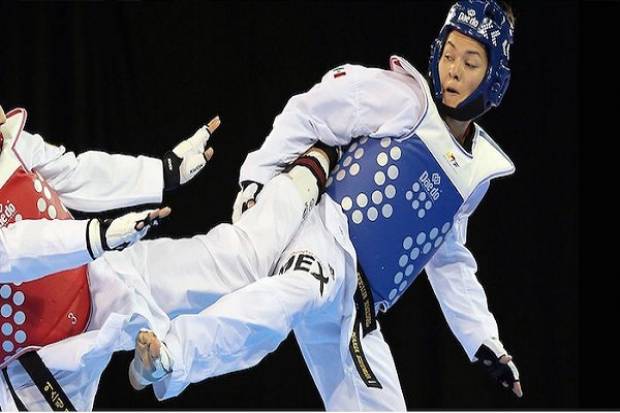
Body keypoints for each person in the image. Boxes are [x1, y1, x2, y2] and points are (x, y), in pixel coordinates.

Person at [128, 0, 524, 410]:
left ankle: (164, 348)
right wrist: (257, 179)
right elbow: (310, 112)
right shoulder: (405, 101)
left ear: (494, 78)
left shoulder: (472, 177)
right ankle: (170, 354)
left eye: (471, 62)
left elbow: (450, 260)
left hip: (358, 308)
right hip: (327, 237)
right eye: (449, 54)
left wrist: (483, 340)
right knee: (287, 299)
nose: (454, 69)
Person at [0, 105, 336, 410]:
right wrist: (97, 235)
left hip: (100, 277)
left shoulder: (12, 142)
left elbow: (75, 172)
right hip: (40, 365)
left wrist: (162, 172)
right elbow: (16, 249)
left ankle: (307, 175)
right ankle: (164, 359)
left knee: (237, 262)